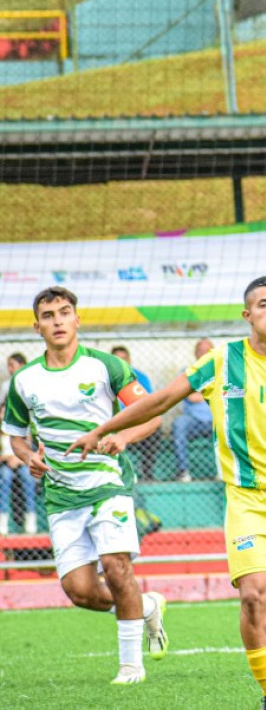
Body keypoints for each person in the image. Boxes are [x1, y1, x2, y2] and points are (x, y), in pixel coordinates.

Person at [68, 276, 266, 710]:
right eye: (264, 304)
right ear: (247, 315)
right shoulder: (220, 361)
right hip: (249, 500)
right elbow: (160, 401)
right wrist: (103, 429)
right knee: (252, 595)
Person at [1, 286, 168, 685]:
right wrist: (28, 458)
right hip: (60, 495)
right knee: (80, 592)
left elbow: (152, 415)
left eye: (64, 312)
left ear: (78, 319)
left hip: (108, 483)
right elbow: (17, 437)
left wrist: (123, 438)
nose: (57, 321)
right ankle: (146, 606)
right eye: (48, 315)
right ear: (37, 326)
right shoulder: (24, 380)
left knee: (116, 567)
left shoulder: (105, 367)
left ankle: (131, 667)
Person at [111, 346, 161, 481]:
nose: (121, 362)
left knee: (155, 428)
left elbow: (147, 404)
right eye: (117, 359)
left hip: (134, 422)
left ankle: (147, 474)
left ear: (130, 360)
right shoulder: (103, 378)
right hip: (112, 423)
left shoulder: (140, 377)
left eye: (124, 359)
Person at [0, 352, 35, 535]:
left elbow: (27, 443)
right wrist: (8, 458)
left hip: (21, 460)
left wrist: (20, 458)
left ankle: (31, 520)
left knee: (27, 477)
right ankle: (3, 521)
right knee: (5, 477)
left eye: (12, 364)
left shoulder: (22, 423)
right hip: (5, 463)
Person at [171, 337, 214, 481]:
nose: (203, 353)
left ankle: (225, 471)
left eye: (207, 351)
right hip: (193, 421)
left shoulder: (221, 370)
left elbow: (226, 394)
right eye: (200, 351)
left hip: (216, 419)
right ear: (195, 354)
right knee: (179, 424)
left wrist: (200, 392)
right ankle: (183, 471)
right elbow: (191, 397)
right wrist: (212, 392)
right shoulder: (187, 371)